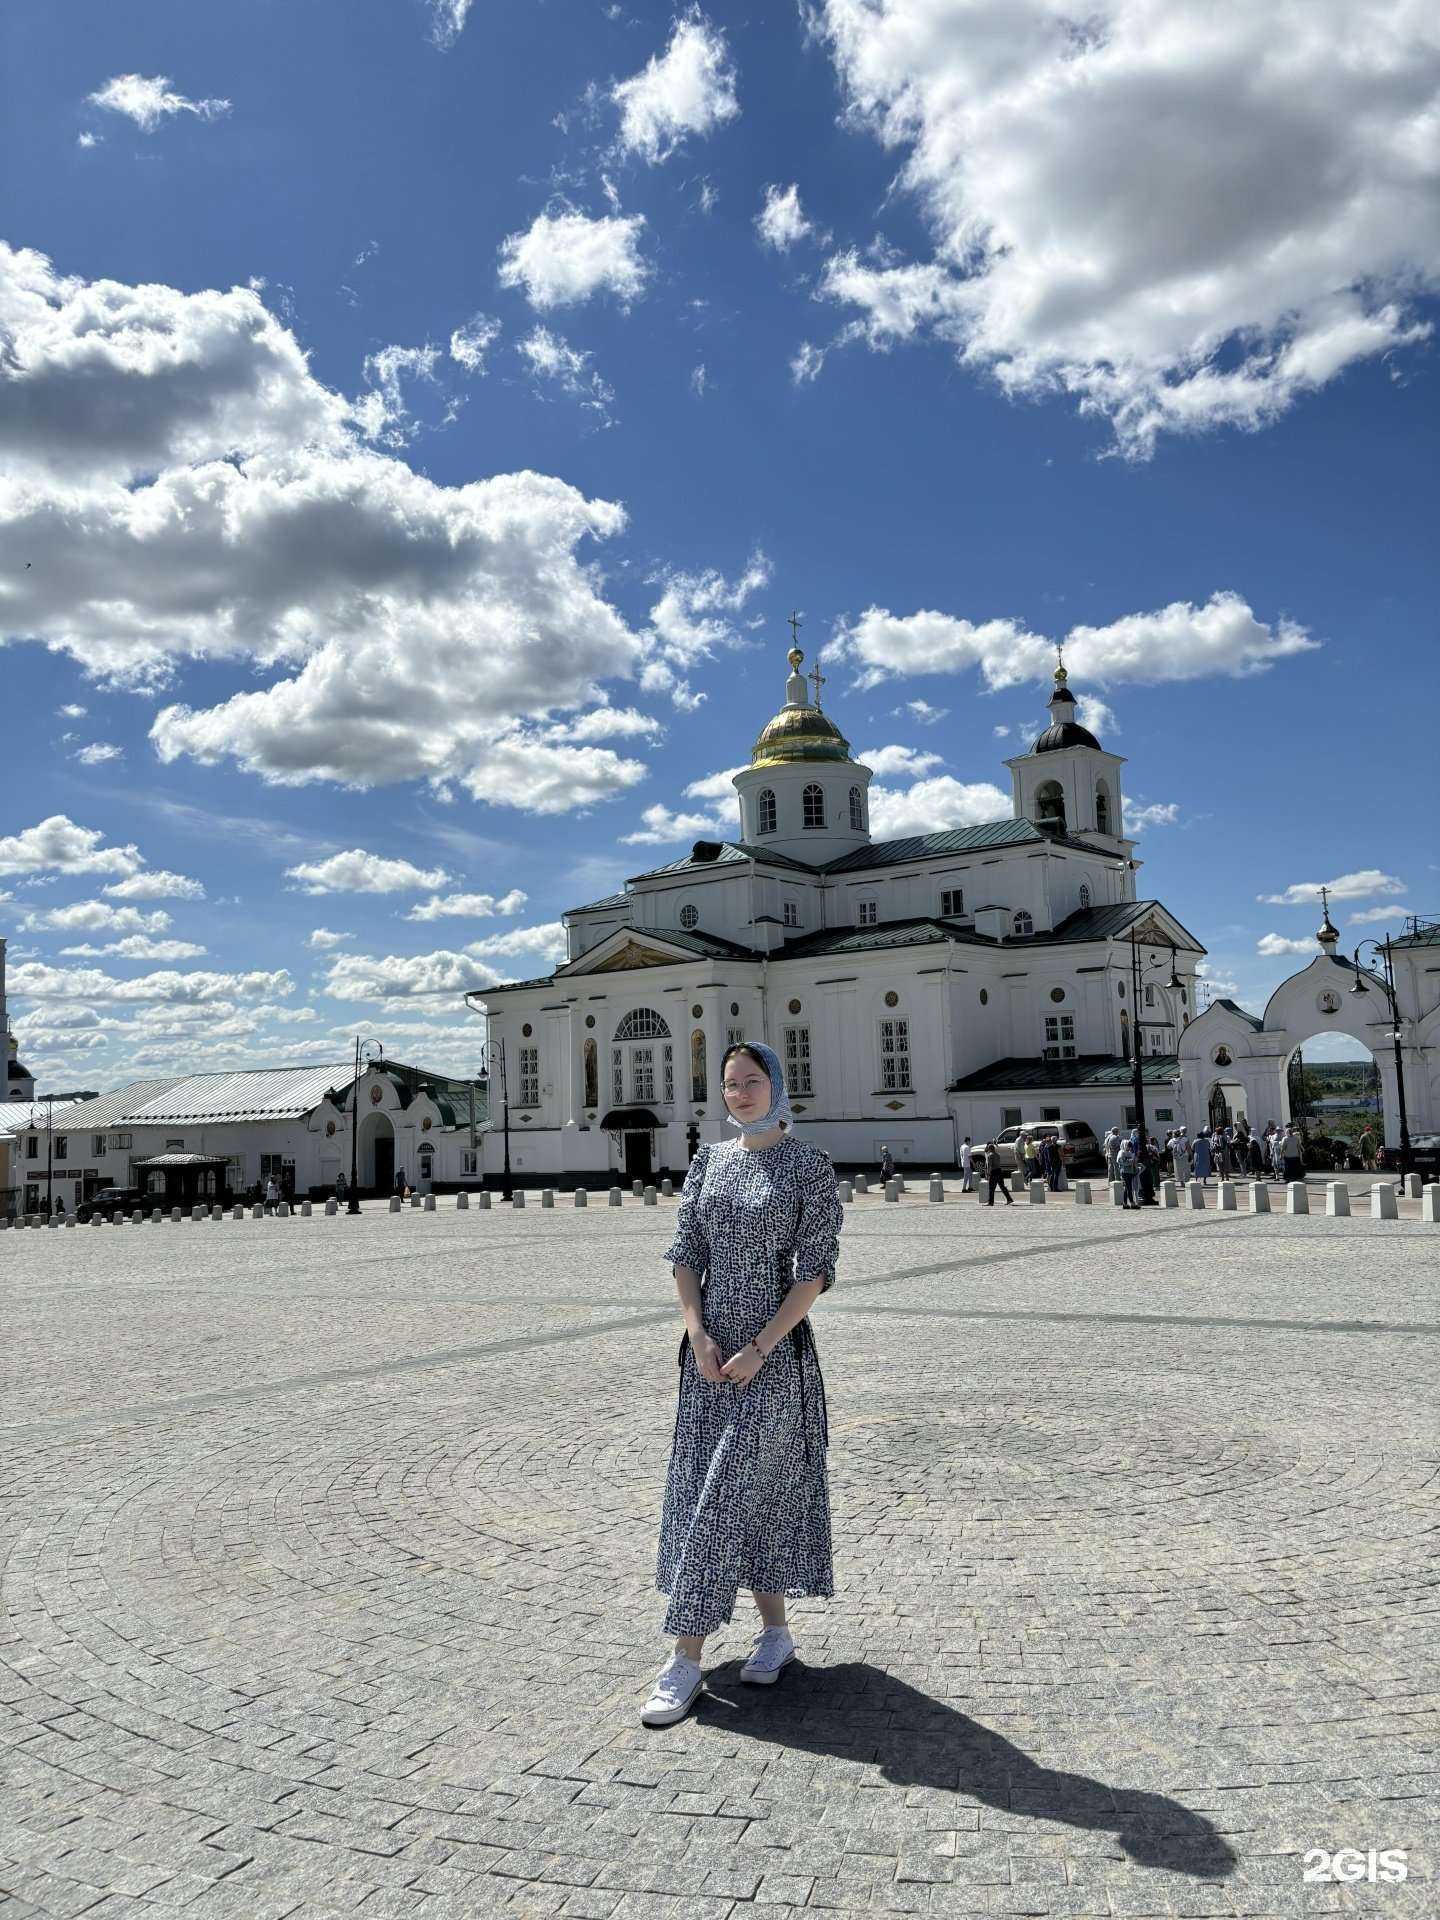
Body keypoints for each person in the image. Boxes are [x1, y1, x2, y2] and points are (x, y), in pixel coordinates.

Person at [644, 1039, 841, 1729]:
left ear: (777, 1085)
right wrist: (697, 1332)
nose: (741, 1094)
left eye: (752, 1081)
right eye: (731, 1085)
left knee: (725, 1494)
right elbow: (685, 1253)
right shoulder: (709, 1162)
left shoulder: (807, 1167)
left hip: (773, 1360)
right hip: (706, 1362)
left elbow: (813, 1271)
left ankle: (685, 1659)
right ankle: (777, 1633)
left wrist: (760, 1346)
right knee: (723, 1491)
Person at [984, 1141, 1013, 1206]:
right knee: (1002, 1186)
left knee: (991, 1188)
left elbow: (990, 1166)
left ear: (989, 1149)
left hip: (993, 1172)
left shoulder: (990, 1156)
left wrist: (988, 1174)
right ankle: (1009, 1199)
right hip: (999, 1171)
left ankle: (990, 1202)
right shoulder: (997, 1155)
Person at [1117, 1134, 1139, 1208]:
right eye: (1128, 1146)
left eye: (1130, 1146)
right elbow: (1122, 1162)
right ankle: (1132, 1203)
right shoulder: (1121, 1152)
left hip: (1131, 1171)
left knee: (1127, 1188)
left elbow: (1132, 1161)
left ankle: (1125, 1203)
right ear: (1124, 1145)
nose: (1129, 1148)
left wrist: (1135, 1164)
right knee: (1129, 1188)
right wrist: (1131, 1161)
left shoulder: (1129, 1153)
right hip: (1125, 1172)